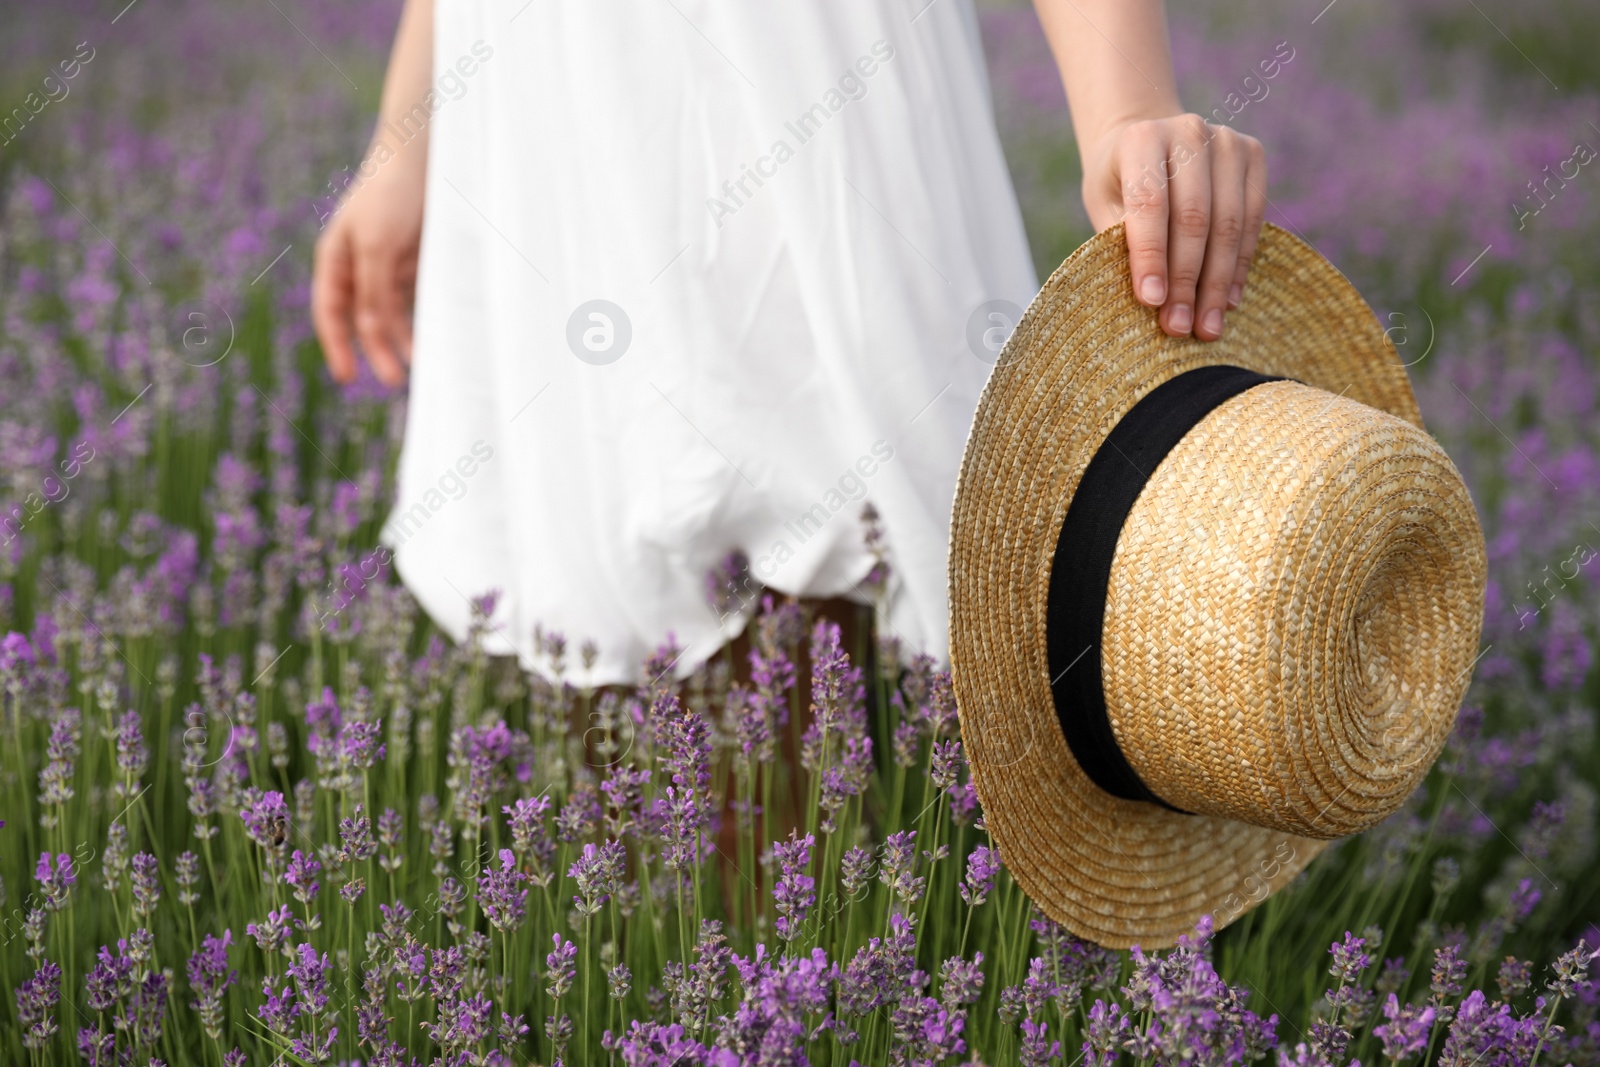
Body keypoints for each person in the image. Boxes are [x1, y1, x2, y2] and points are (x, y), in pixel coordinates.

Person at [311, 0, 1268, 687]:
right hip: (544, 117)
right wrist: (406, 146)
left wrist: (1125, 105)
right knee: (609, 619)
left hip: (786, 99)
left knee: (850, 588)